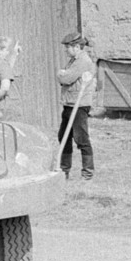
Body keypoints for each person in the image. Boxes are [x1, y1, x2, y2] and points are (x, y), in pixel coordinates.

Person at [56, 31, 97, 180]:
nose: (66, 50)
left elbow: (66, 78)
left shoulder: (82, 61)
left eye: (68, 47)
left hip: (79, 104)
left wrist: (61, 74)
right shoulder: (73, 60)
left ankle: (87, 173)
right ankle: (64, 170)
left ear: (77, 47)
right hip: (70, 102)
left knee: (81, 138)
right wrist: (63, 74)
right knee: (63, 136)